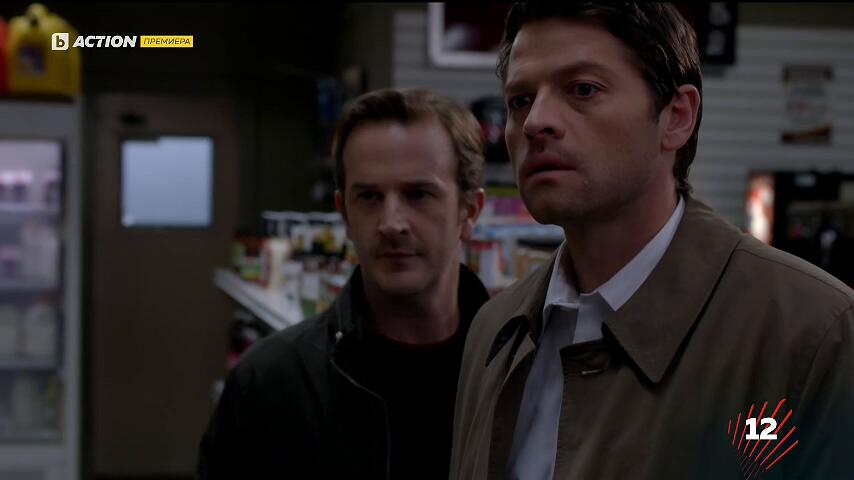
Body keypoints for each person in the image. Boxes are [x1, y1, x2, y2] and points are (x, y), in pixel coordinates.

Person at [450, 3, 854, 479]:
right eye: (520, 100)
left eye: (583, 89)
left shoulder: (809, 333)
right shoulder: (496, 331)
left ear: (677, 116)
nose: (536, 121)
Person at [199, 88, 489, 479]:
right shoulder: (269, 384)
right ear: (345, 215)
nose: (391, 223)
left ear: (469, 211)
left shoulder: (519, 374)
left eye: (418, 194)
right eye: (369, 196)